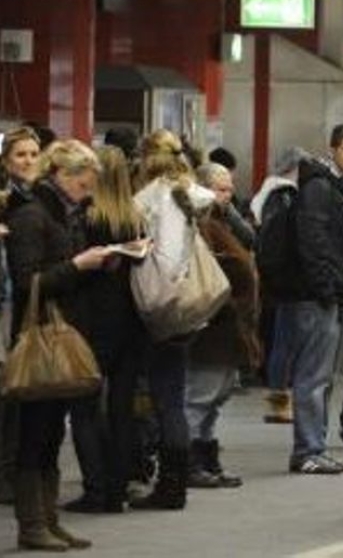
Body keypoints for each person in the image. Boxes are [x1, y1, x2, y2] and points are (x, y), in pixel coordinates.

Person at [6, 139, 114, 550]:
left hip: (64, 331)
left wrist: (103, 261)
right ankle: (32, 524)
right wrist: (77, 265)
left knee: (51, 434)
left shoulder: (68, 215)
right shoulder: (33, 216)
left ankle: (48, 519)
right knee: (33, 435)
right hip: (40, 337)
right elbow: (27, 282)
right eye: (84, 186)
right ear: (63, 177)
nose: (87, 195)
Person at [131, 129, 218, 510]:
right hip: (190, 308)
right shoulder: (192, 195)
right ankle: (174, 483)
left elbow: (163, 261)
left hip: (161, 306)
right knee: (174, 398)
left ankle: (169, 486)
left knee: (164, 399)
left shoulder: (151, 198)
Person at [63, 145, 149, 514]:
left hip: (92, 320)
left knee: (85, 407)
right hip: (131, 320)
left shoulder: (87, 216)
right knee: (121, 408)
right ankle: (118, 486)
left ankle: (96, 488)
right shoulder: (135, 217)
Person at [285, 124, 343, 474]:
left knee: (324, 376)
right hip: (319, 295)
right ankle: (307, 450)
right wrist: (327, 288)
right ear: (333, 149)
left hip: (334, 291)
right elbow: (314, 240)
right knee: (313, 376)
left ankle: (315, 446)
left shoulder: (342, 187)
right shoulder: (319, 187)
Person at [185, 163, 261, 489]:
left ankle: (205, 458)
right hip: (213, 324)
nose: (226, 196)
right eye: (219, 189)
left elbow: (251, 239)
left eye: (230, 189)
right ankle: (187, 462)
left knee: (216, 398)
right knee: (200, 397)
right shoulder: (198, 226)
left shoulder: (223, 222)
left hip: (232, 325)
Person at [249, 145, 309, 424]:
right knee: (285, 341)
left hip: (272, 279)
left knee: (279, 339)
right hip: (285, 280)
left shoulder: (265, 194)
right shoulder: (285, 196)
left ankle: (279, 398)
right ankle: (279, 400)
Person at [0, 126, 42, 506]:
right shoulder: (6, 201)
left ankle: (12, 471)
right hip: (7, 302)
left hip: (22, 306)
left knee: (18, 392)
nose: (29, 161)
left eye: (33, 154)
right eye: (20, 155)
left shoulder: (40, 198)